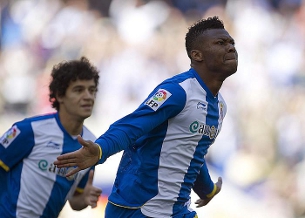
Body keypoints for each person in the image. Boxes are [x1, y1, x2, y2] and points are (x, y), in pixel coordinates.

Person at [54, 16, 238, 218]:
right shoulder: (177, 92)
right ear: (197, 55)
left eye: (231, 43)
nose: (230, 47)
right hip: (138, 209)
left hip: (175, 210)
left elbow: (191, 149)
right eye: (221, 43)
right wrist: (100, 150)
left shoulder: (220, 106)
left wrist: (206, 189)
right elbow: (131, 126)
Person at [0, 57, 102, 218]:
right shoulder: (28, 130)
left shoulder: (91, 145)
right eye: (78, 90)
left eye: (92, 90)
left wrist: (85, 198)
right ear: (60, 95)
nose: (88, 96)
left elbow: (75, 202)